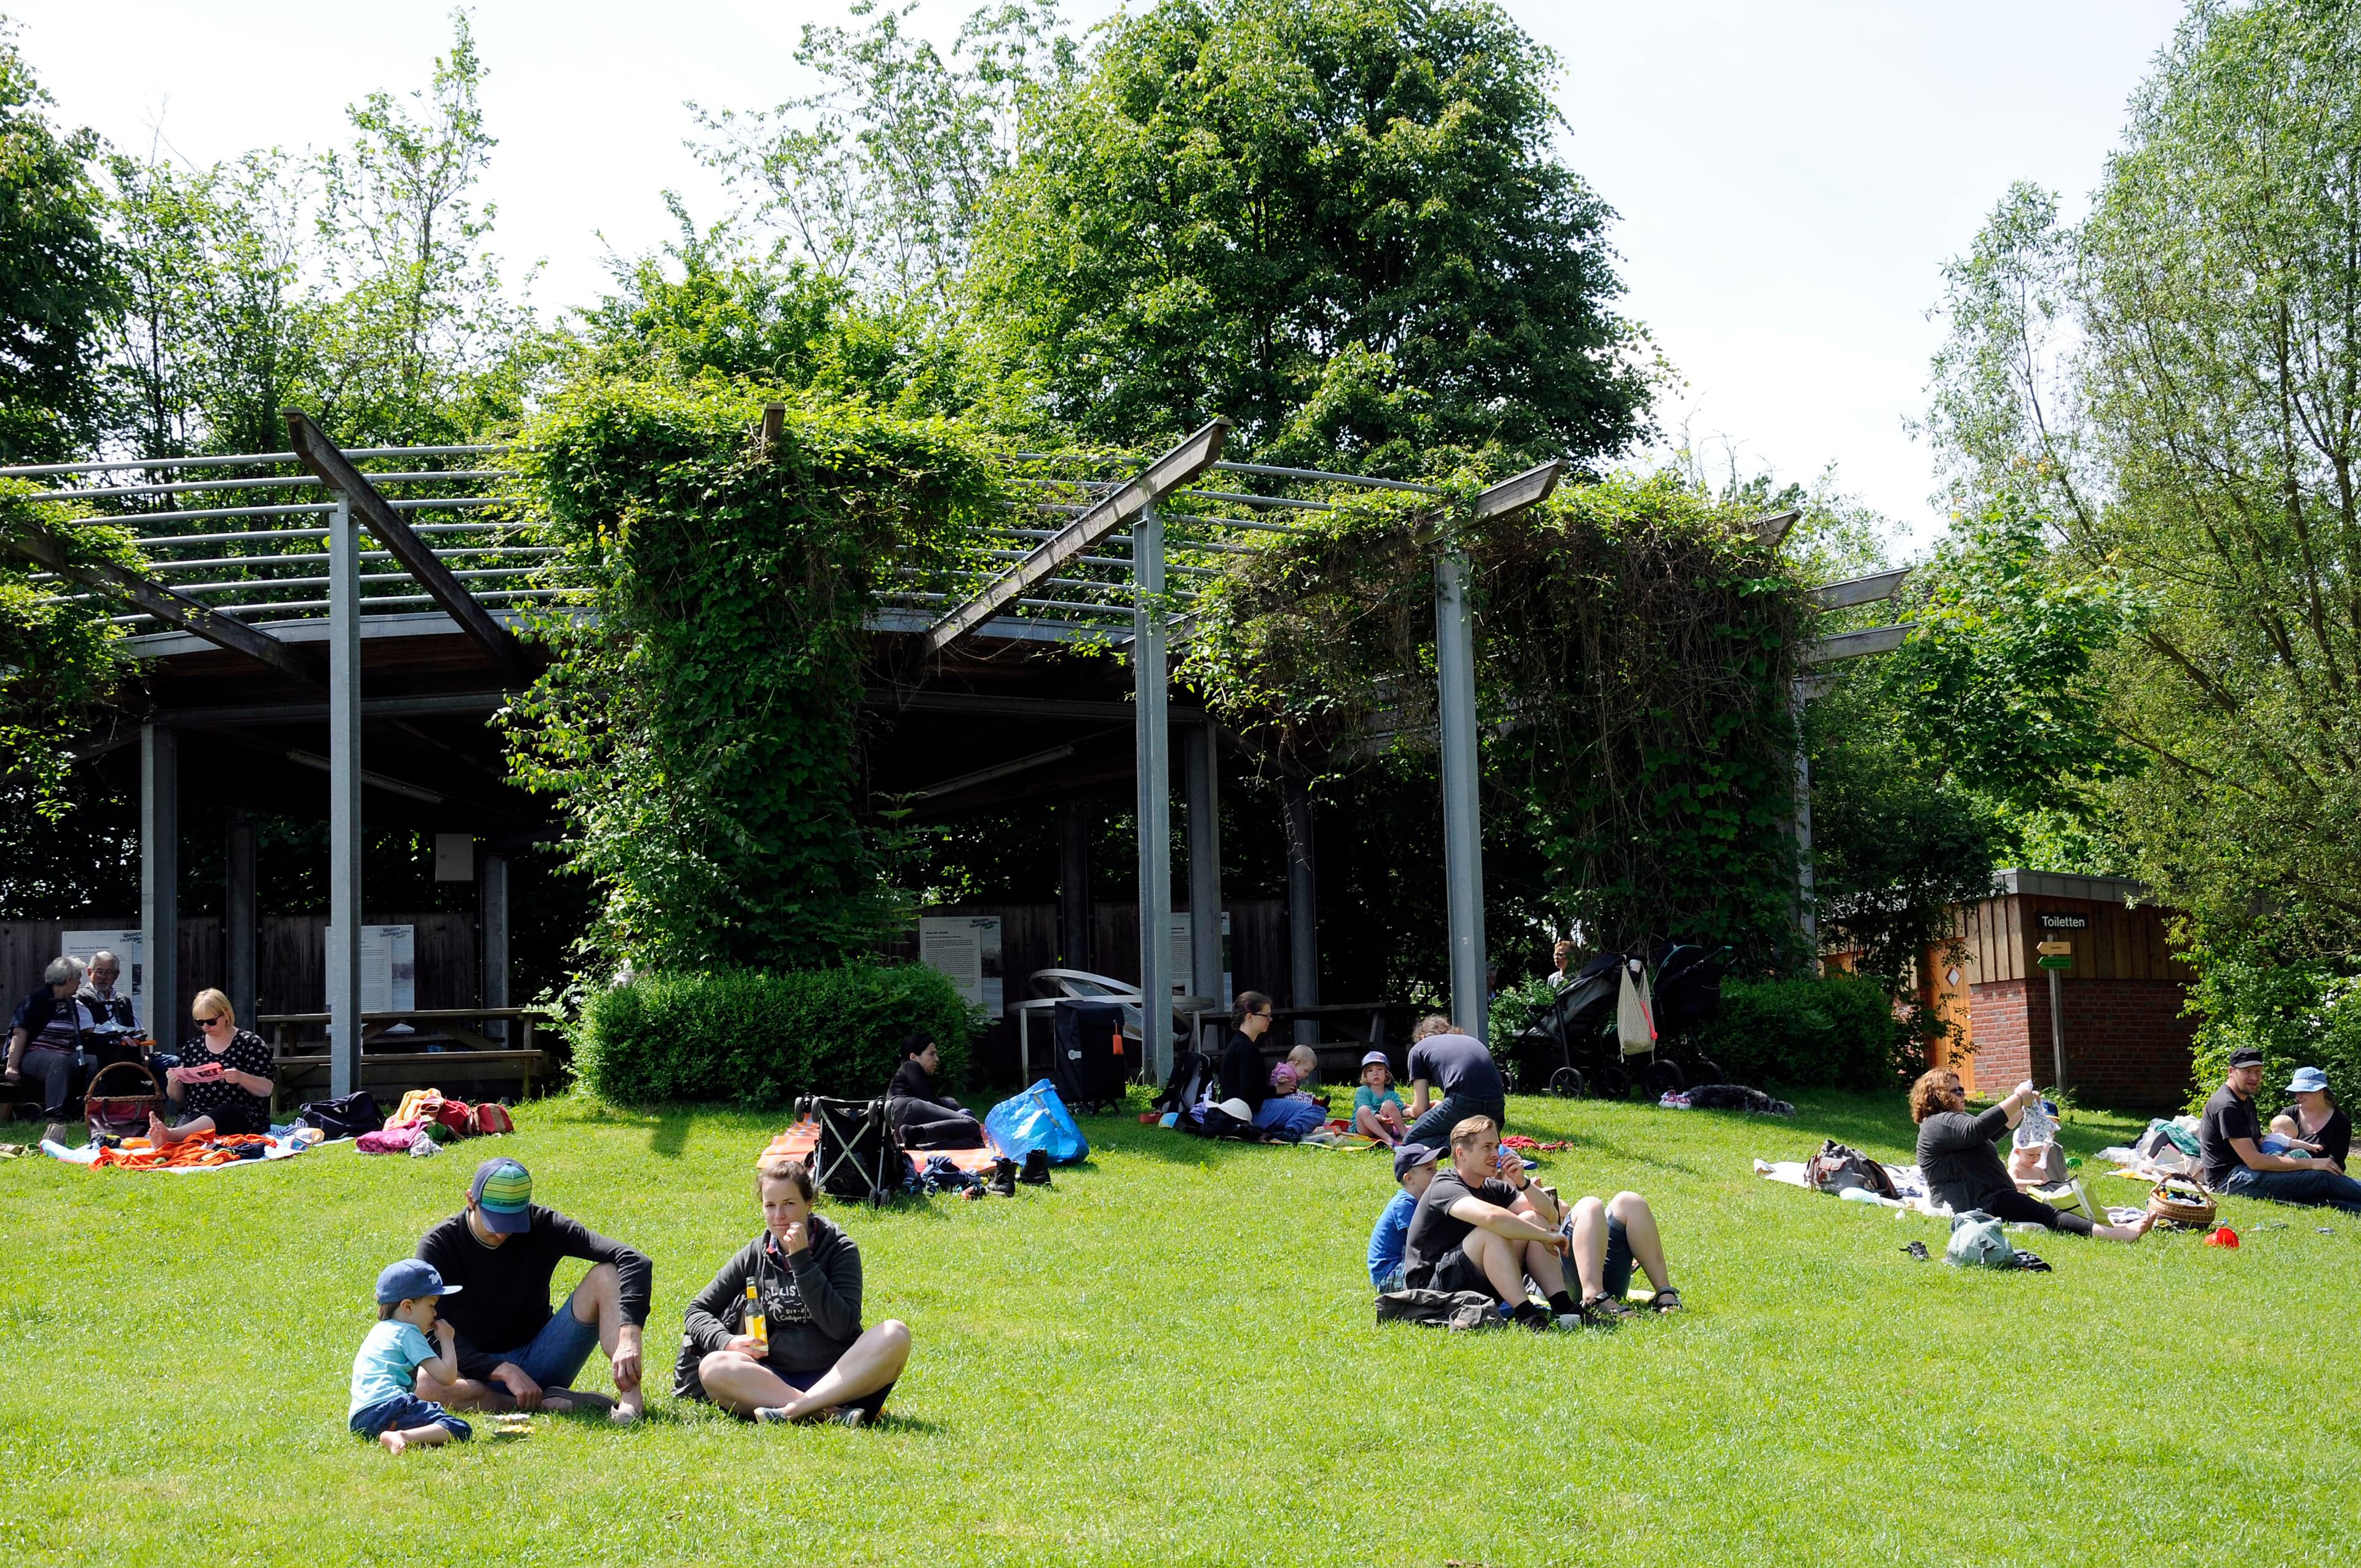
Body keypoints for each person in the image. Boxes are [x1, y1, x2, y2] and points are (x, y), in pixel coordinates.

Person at [676, 1154, 911, 1426]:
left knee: (895, 1333)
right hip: (774, 1380)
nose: (779, 1216)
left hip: (842, 1378)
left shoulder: (839, 1249)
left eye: (789, 1204)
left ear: (809, 1203)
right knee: (713, 1366)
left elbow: (842, 1327)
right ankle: (831, 1415)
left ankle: (791, 1412)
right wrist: (726, 1342)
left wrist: (801, 1261)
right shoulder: (756, 1253)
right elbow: (697, 1310)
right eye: (770, 1206)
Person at [416, 1157, 654, 1423]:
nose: (504, 1232)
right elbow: (430, 1333)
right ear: (471, 1200)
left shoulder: (540, 1224)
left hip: (541, 1357)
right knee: (426, 1385)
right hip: (474, 1372)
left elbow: (634, 1259)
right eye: (495, 1221)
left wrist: (629, 1336)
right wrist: (501, 1369)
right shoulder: (438, 1245)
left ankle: (631, 1400)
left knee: (607, 1274)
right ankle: (547, 1404)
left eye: (512, 1222)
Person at [1403, 1115, 1679, 1326]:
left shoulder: (1492, 1187)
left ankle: (1563, 1307)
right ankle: (1528, 1315)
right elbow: (1490, 1218)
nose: (1495, 1154)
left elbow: (1549, 1213)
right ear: (1461, 1154)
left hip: (1474, 1278)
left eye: (1497, 1146)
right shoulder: (1444, 1184)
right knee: (1492, 1230)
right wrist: (1547, 1237)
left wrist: (1523, 1183)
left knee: (1532, 1217)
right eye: (1487, 1147)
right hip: (1433, 1289)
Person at [1910, 1070, 2151, 1240]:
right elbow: (1979, 1128)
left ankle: (2110, 1227)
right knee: (2048, 1214)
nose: (1963, 1095)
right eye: (1957, 1090)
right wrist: (2017, 1098)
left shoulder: (1947, 1124)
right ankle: (2115, 1235)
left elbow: (1988, 1135)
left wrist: (2022, 1109)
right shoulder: (1940, 1123)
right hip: (1979, 1202)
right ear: (1939, 1094)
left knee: (2047, 1209)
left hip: (1986, 1198)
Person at [2199, 1048, 2361, 1214]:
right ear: (2231, 1072)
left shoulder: (2245, 1101)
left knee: (2315, 1192)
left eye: (2258, 1071)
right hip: (2230, 1180)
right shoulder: (2227, 1106)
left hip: (2246, 1172)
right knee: (2322, 1179)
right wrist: (2313, 1163)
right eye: (2247, 1071)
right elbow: (2255, 1161)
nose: (2254, 1078)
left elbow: (2259, 1143)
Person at [350, 1259, 471, 1455]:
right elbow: (447, 1378)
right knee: (458, 1427)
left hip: (361, 1419)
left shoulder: (380, 1331)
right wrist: (447, 1340)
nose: (435, 1313)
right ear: (407, 1307)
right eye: (431, 1305)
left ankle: (394, 1434)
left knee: (429, 1411)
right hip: (390, 1408)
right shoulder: (408, 1333)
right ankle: (403, 1436)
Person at [148, 989, 274, 1146]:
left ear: (226, 1014)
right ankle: (171, 1138)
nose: (206, 1027)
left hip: (240, 1112)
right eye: (200, 1023)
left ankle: (172, 1135)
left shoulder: (250, 1043)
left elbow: (267, 1089)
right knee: (186, 1122)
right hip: (198, 1113)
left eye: (211, 1022)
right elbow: (178, 1097)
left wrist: (241, 1077)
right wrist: (174, 1083)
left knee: (223, 1112)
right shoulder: (193, 1047)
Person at [5, 956, 92, 1133]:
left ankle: (90, 1111)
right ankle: (55, 1114)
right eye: (78, 980)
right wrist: (12, 1066)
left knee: (92, 1062)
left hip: (64, 1054)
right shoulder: (36, 1000)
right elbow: (19, 1033)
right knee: (58, 1061)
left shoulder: (71, 1003)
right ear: (69, 980)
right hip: (32, 1055)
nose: (79, 984)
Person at [1402, 1015, 1507, 1149]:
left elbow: (1420, 1110)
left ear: (1422, 1037)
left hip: (1463, 1103)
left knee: (1411, 1142)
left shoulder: (1419, 1049)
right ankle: (1482, 1142)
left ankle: (1468, 1143)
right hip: (1496, 1106)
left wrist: (1407, 1112)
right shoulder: (1470, 1040)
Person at [886, 1032, 984, 1150]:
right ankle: (916, 1133)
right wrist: (958, 1111)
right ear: (913, 1057)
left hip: (902, 1120)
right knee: (972, 1123)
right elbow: (931, 1100)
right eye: (931, 1054)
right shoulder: (910, 1066)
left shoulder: (910, 1074)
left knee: (969, 1143)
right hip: (906, 1107)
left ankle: (916, 1140)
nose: (937, 1059)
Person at [1367, 1142, 1440, 1291]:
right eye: (1429, 1169)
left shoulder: (1423, 1200)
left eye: (1435, 1167)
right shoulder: (1404, 1204)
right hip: (1389, 1274)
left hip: (1406, 1265)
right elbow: (1425, 1242)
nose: (1436, 1173)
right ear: (1409, 1178)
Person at [2267, 1066, 2350, 1172]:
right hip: (2288, 1176)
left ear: (2320, 1091)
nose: (2298, 1097)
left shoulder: (2341, 1122)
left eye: (2303, 1091)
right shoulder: (2288, 1114)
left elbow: (2334, 1163)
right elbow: (2275, 1146)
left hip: (2324, 1179)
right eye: (2296, 1092)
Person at [1218, 992, 1275, 1114]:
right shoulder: (1246, 1048)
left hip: (1241, 1110)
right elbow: (1250, 1092)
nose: (1270, 1019)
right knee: (1313, 1111)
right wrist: (1277, 1090)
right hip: (1248, 1112)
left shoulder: (1239, 1043)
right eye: (1266, 1016)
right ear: (1249, 1017)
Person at [1351, 1050, 1409, 1146]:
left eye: (1380, 1069)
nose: (1375, 1073)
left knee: (1389, 1104)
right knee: (1363, 1110)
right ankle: (1387, 1139)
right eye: (1370, 1071)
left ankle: (1406, 1136)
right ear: (1365, 1076)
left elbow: (1400, 1109)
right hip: (1364, 1129)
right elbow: (1366, 1109)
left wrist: (1409, 1111)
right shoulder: (1362, 1091)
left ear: (1386, 1074)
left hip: (1385, 1127)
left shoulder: (1392, 1095)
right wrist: (1380, 1118)